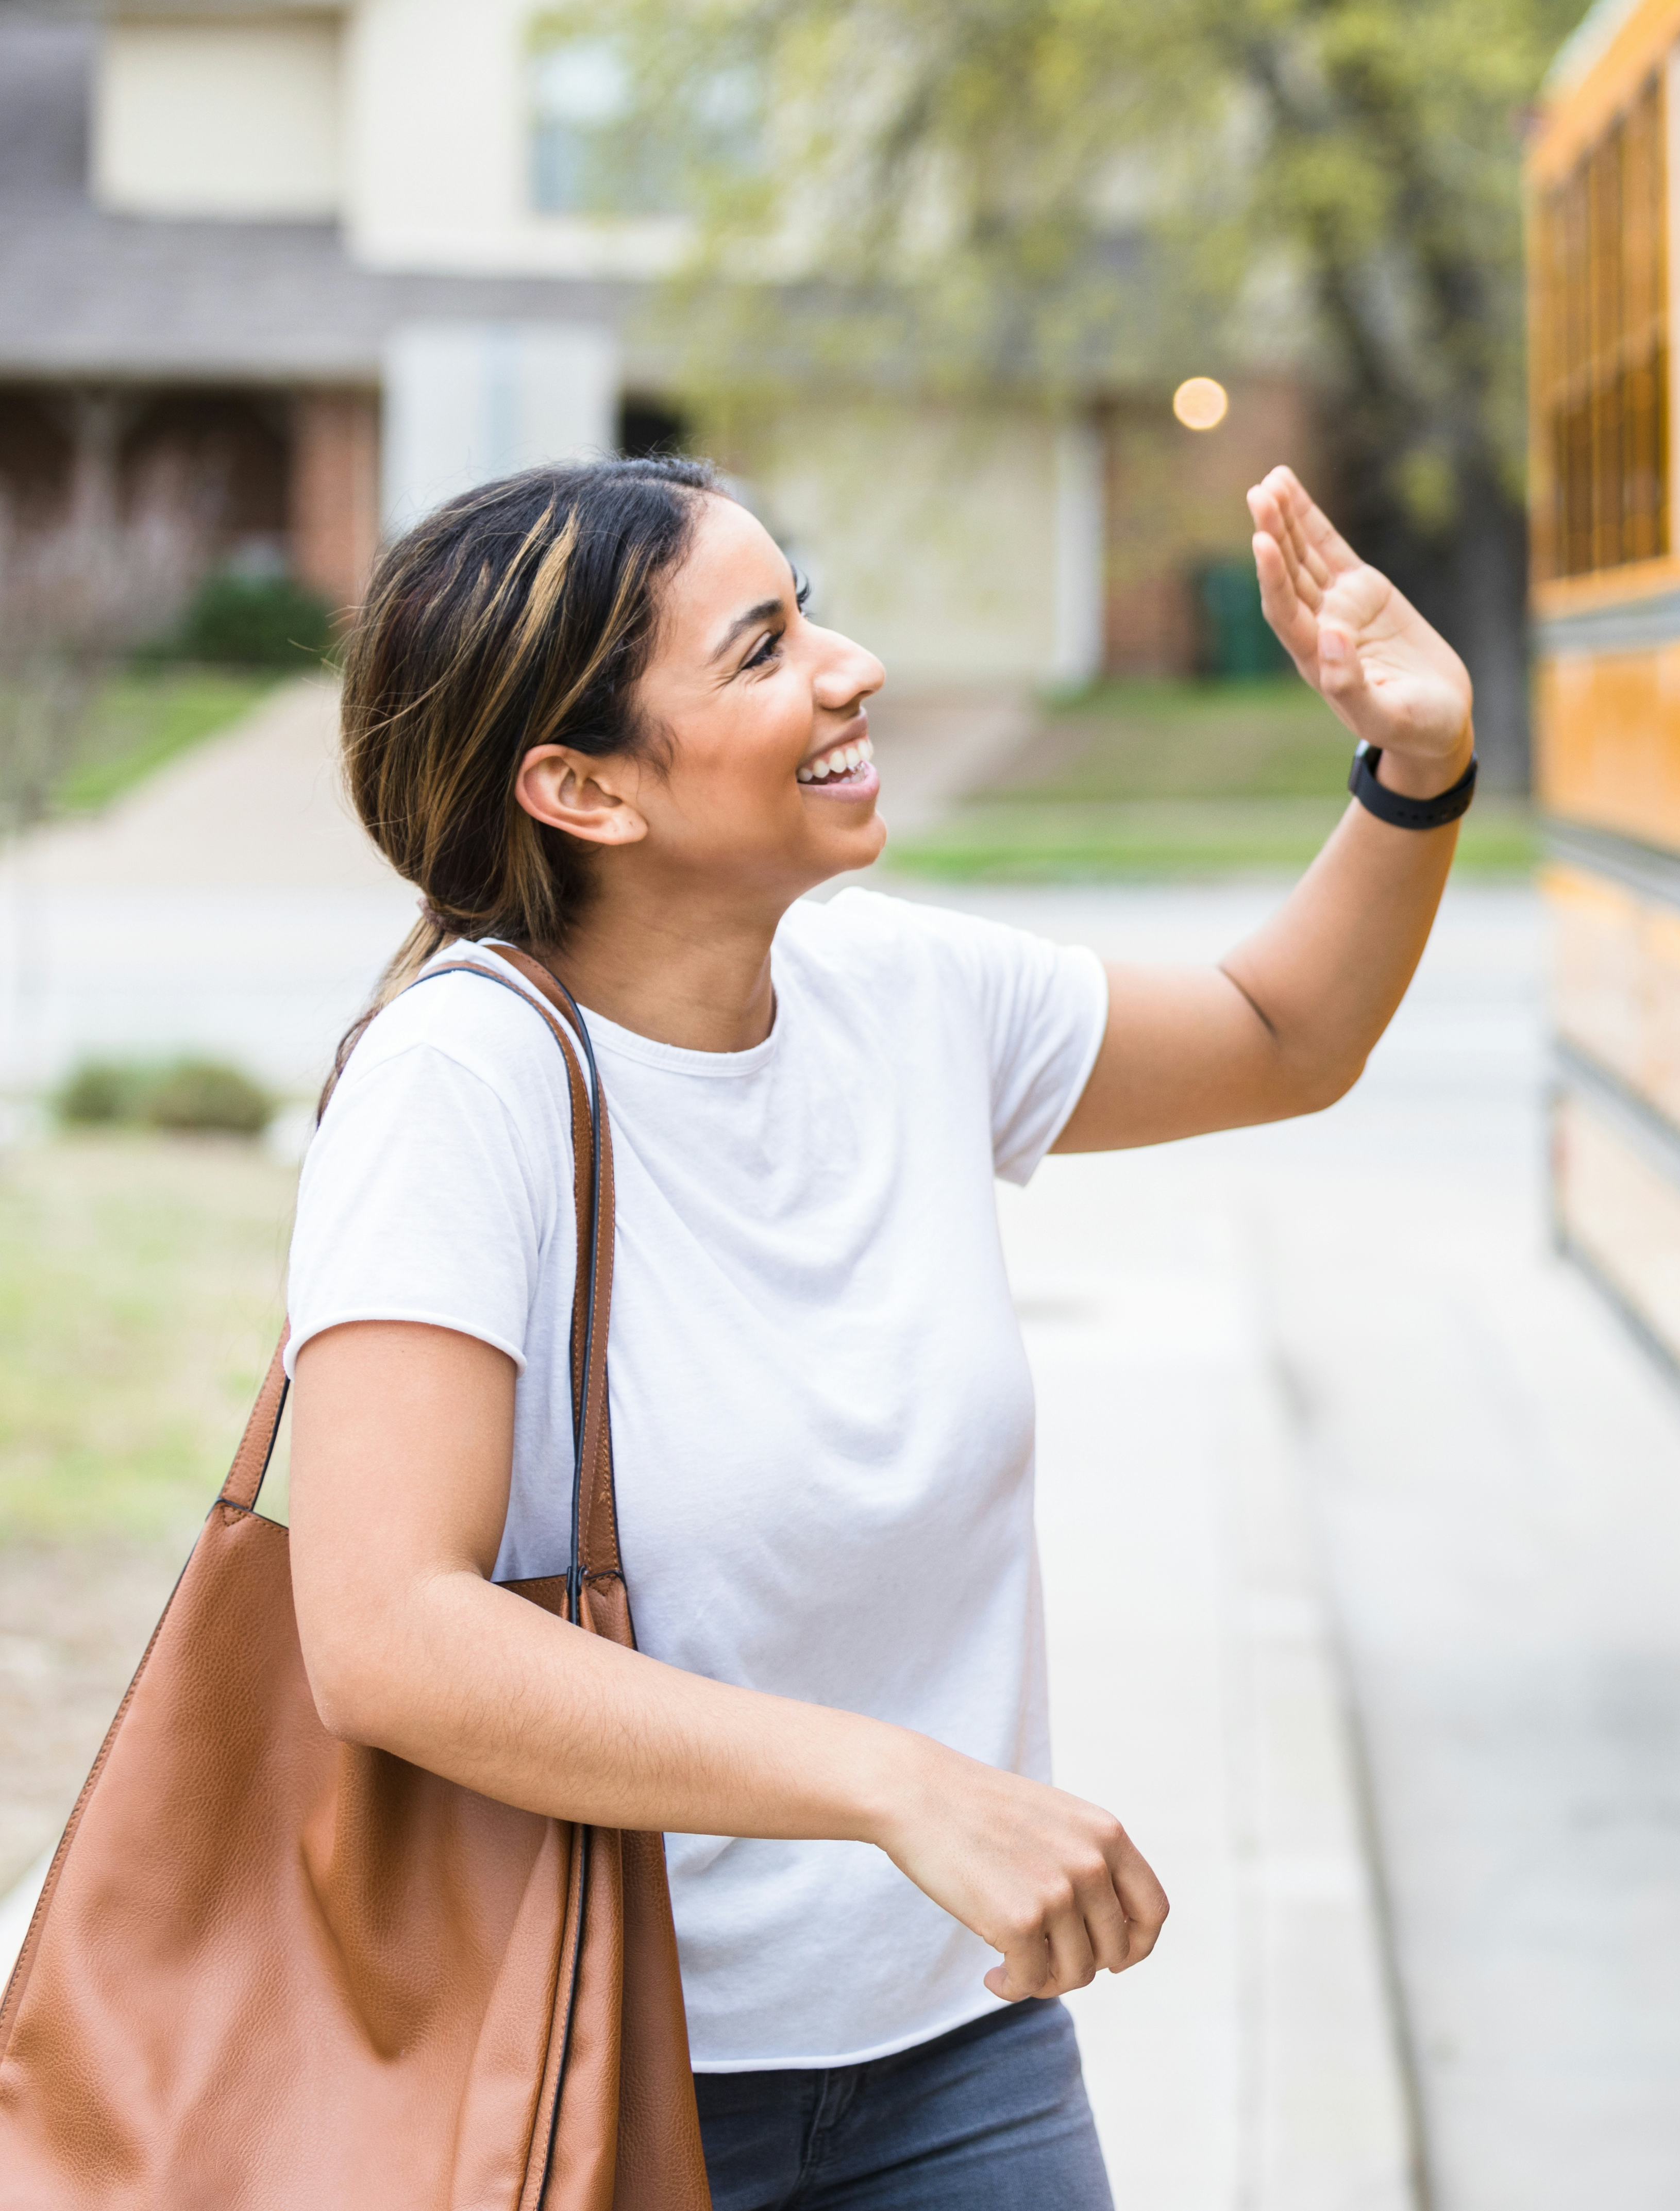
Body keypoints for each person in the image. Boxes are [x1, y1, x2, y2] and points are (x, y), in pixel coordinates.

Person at [281, 453, 1479, 2207]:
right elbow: (387, 1630)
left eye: (809, 612)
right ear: (582, 787)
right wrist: (900, 1788)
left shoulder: (897, 994)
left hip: (958, 2052)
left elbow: (1280, 1034)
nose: (852, 669)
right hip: (593, 2061)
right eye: (762, 649)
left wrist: (1416, 768)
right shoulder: (458, 1084)